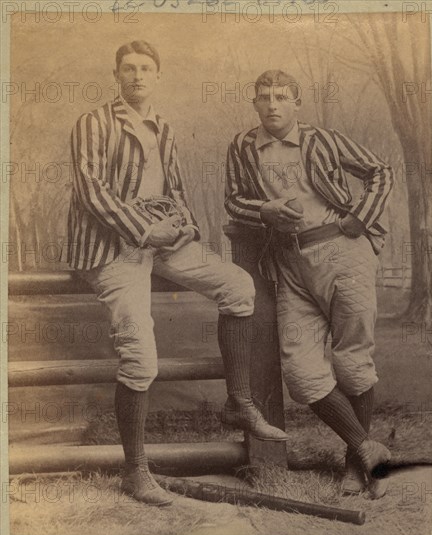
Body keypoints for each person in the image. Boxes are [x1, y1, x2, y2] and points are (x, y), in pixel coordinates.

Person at [66, 43, 288, 506]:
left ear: (158, 75)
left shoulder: (162, 126)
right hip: (113, 247)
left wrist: (183, 226)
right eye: (129, 68)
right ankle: (136, 471)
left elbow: (177, 187)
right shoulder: (94, 122)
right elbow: (92, 192)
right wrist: (146, 228)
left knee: (239, 286)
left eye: (146, 68)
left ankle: (240, 402)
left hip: (164, 239)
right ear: (116, 75)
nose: (138, 76)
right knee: (141, 357)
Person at [225, 69, 395, 499]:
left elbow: (380, 171)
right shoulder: (244, 147)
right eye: (264, 97)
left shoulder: (324, 139)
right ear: (255, 103)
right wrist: (266, 210)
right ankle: (365, 447)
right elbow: (233, 199)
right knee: (301, 375)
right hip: (288, 262)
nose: (273, 105)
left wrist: (360, 217)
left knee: (353, 360)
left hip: (343, 253)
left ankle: (355, 469)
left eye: (282, 97)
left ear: (297, 103)